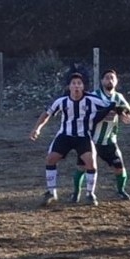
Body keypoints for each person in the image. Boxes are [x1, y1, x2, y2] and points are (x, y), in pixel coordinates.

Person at [31, 68, 112, 206]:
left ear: (83, 86)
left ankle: (90, 194)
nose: (76, 86)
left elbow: (110, 107)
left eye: (79, 83)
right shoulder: (61, 101)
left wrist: (119, 114)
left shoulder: (91, 99)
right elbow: (47, 114)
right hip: (65, 136)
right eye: (73, 83)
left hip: (83, 137)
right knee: (50, 159)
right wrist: (37, 128)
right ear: (69, 87)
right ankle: (51, 192)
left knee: (91, 163)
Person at [76, 69, 130, 201]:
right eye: (107, 78)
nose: (110, 80)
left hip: (109, 140)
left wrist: (127, 116)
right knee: (82, 167)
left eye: (112, 78)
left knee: (120, 168)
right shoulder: (94, 96)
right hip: (91, 140)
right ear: (102, 81)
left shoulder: (118, 97)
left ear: (116, 81)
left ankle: (121, 191)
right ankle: (75, 193)